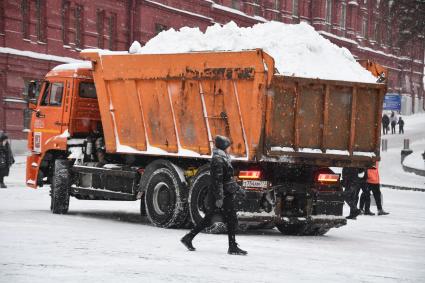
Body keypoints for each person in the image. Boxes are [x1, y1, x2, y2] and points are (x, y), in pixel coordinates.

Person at [181, 135, 247, 255]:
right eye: (228, 147)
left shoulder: (223, 158)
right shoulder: (218, 160)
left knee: (209, 219)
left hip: (222, 195)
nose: (229, 149)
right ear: (223, 147)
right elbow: (218, 181)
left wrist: (237, 189)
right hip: (221, 196)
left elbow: (227, 180)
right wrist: (220, 198)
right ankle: (232, 247)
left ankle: (188, 238)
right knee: (230, 219)